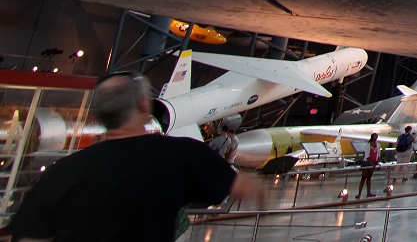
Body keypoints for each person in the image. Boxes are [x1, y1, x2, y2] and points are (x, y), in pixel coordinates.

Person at [9, 72, 244, 242]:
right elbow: (239, 186)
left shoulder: (60, 172)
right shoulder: (180, 155)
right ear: (143, 105)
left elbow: (29, 235)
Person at [355, 132, 381, 198]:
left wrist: (377, 162)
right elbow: (367, 156)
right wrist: (372, 164)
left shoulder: (378, 145)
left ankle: (368, 192)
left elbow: (378, 154)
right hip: (367, 163)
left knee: (369, 178)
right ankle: (359, 193)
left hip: (373, 163)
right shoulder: (368, 145)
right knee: (363, 178)